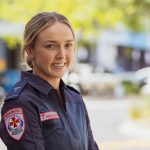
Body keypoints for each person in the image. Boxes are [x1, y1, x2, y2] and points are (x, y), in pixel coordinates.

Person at [0, 12, 99, 150]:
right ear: (30, 51)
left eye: (68, 45)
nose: (62, 55)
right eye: (51, 46)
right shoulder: (21, 103)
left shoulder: (75, 98)